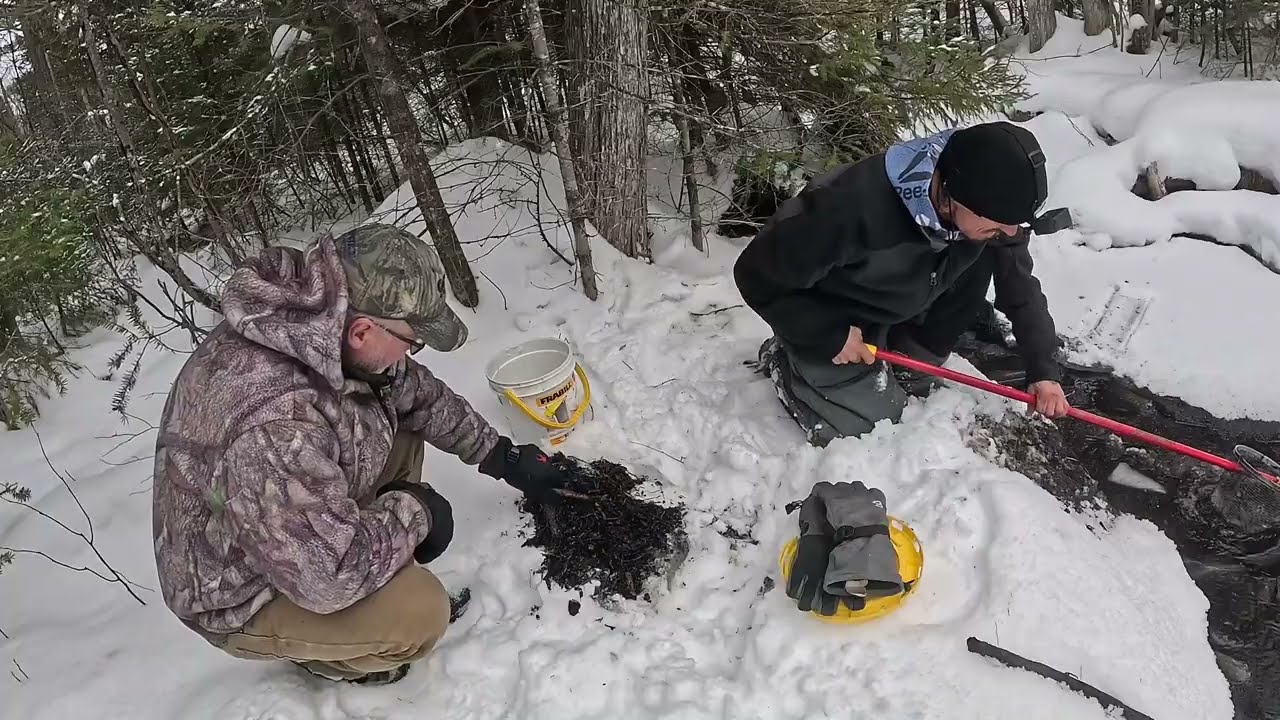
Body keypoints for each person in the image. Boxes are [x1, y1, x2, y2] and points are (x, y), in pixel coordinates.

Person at [151, 224, 572, 685]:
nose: (412, 353)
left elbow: (416, 394)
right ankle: (337, 658)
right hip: (241, 588)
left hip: (285, 516)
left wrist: (501, 456)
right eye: (412, 340)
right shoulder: (276, 421)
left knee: (399, 420)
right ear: (362, 330)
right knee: (419, 614)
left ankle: (370, 555)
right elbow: (326, 577)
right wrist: (416, 513)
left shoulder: (325, 324)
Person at [734, 121, 1072, 447]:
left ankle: (908, 354)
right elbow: (754, 274)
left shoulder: (985, 203)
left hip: (906, 297)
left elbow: (1020, 285)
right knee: (870, 428)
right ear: (953, 194)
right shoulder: (847, 209)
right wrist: (825, 333)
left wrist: (1042, 368)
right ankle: (787, 362)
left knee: (985, 251)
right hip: (839, 318)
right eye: (1001, 222)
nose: (1011, 232)